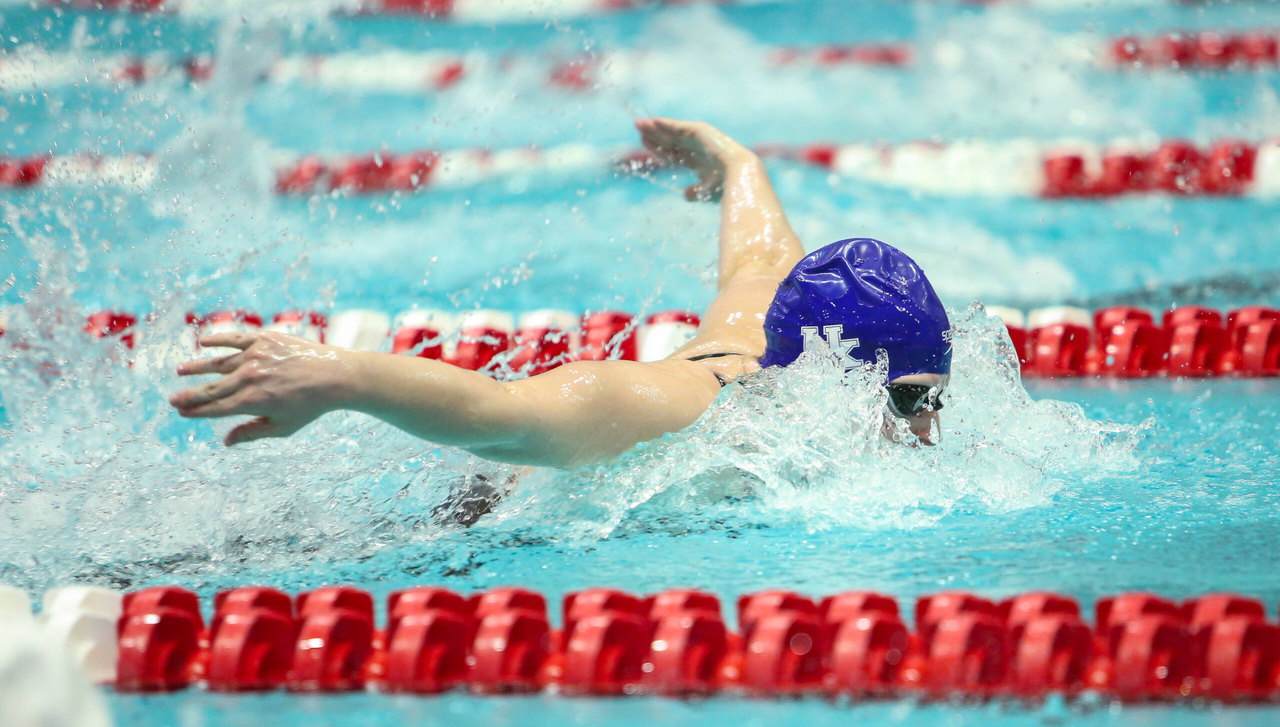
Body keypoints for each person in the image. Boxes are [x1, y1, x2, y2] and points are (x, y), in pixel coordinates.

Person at [170, 118, 951, 468]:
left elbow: (762, 254)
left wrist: (735, 161)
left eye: (933, 400)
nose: (929, 431)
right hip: (484, 518)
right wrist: (337, 378)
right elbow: (504, 416)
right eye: (912, 405)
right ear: (831, 377)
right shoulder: (681, 410)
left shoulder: (773, 326)